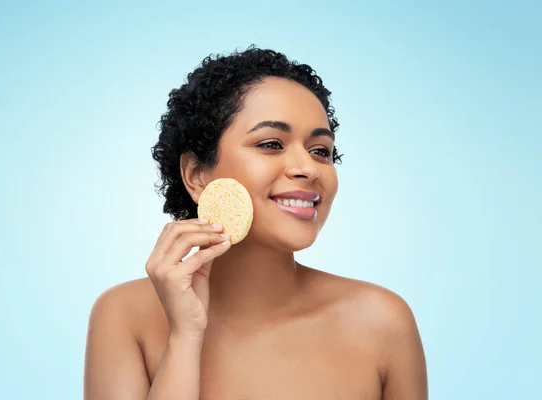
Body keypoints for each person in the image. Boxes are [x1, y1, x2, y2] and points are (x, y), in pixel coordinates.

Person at [83, 46, 428, 400]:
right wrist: (185, 337)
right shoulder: (123, 316)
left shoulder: (383, 322)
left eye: (321, 150)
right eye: (271, 144)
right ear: (196, 175)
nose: (308, 168)